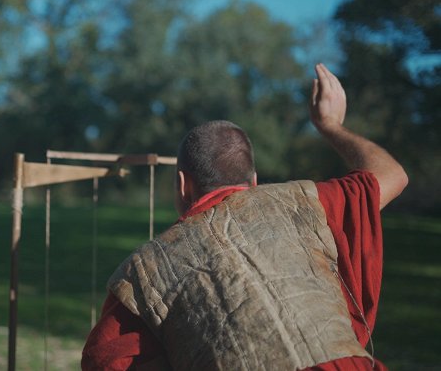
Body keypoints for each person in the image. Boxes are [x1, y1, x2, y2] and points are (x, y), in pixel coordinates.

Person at [81, 63, 408, 370]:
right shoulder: (307, 203)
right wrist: (330, 124)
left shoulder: (143, 272)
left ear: (183, 186)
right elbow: (392, 174)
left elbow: (105, 360)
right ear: (253, 181)